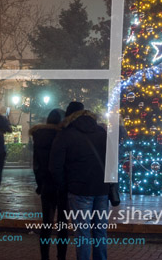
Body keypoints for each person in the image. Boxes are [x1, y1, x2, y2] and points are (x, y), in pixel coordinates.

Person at [50, 101, 110, 260]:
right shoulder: (102, 133)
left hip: (79, 189)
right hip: (102, 189)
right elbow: (111, 161)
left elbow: (55, 166)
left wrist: (65, 184)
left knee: (82, 232)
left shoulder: (66, 133)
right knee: (100, 231)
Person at [32, 109, 68, 260]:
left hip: (46, 183)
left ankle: (44, 256)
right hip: (62, 184)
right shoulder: (63, 136)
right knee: (62, 225)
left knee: (46, 223)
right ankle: (61, 256)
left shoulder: (39, 137)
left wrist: (40, 183)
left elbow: (36, 164)